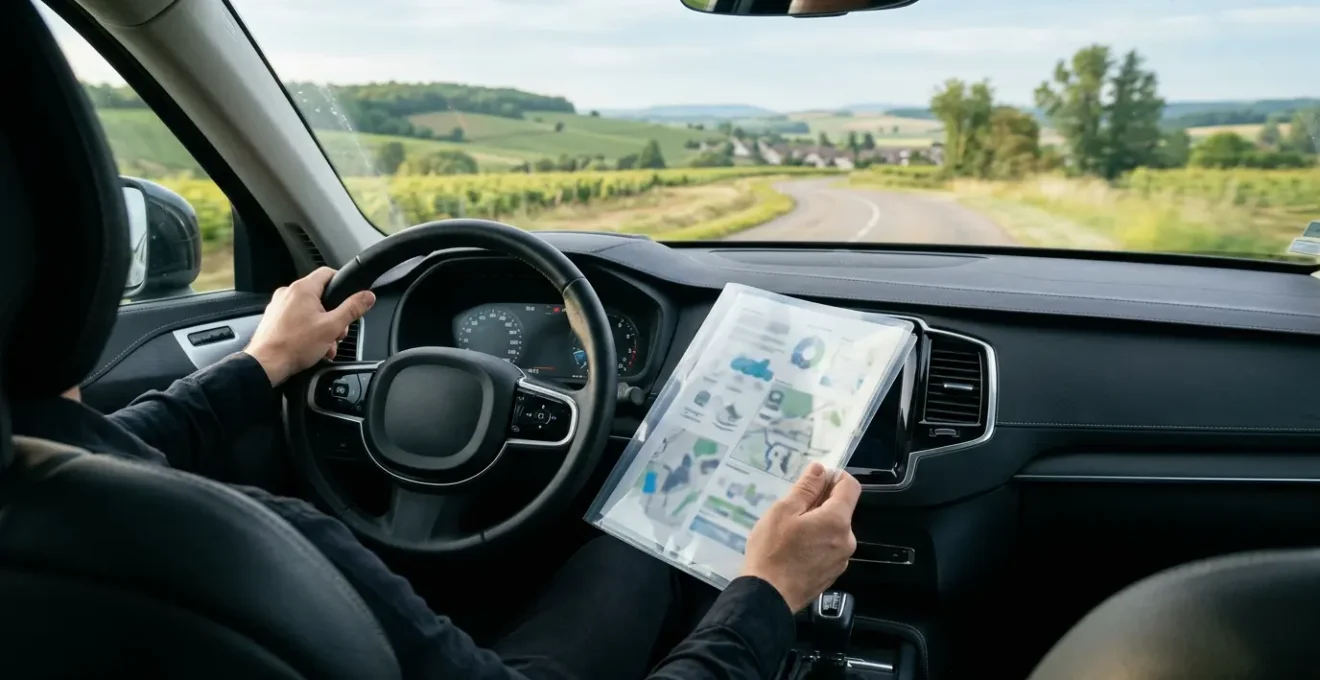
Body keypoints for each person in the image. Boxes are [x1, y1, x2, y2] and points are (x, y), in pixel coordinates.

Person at [11, 267, 863, 680]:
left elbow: (115, 442)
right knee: (637, 544)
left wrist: (264, 362)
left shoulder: (46, 485)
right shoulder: (265, 543)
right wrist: (765, 595)